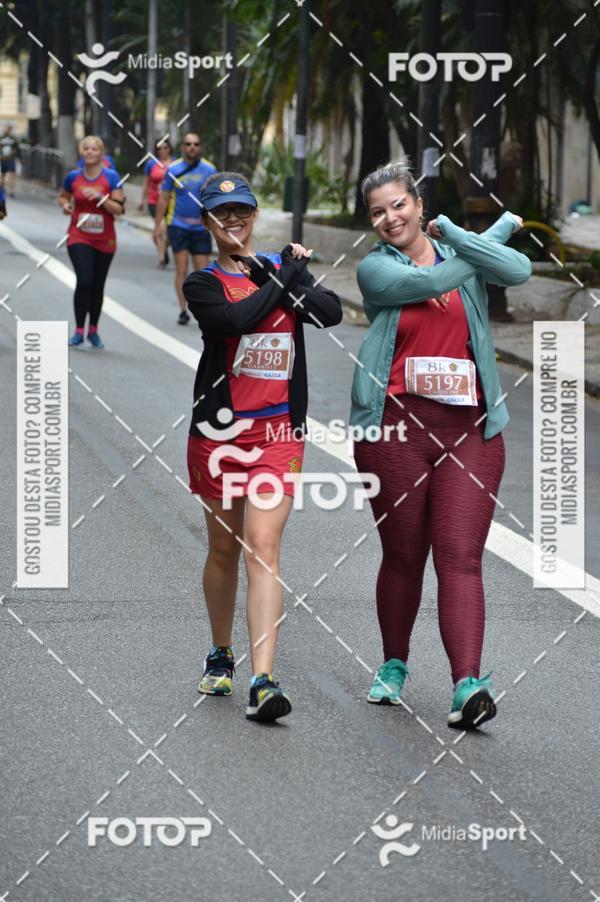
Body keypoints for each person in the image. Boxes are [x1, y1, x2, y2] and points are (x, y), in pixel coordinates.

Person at [350, 159, 532, 729]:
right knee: (405, 555)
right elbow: (429, 283)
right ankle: (394, 664)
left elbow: (521, 270)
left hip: (470, 430)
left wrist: (458, 238)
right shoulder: (374, 271)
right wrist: (475, 249)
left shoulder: (457, 251)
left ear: (419, 204)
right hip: (395, 430)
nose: (389, 217)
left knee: (460, 557)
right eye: (377, 211)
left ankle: (467, 685)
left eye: (398, 205)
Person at [182, 172, 342, 722]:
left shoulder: (281, 269)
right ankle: (221, 652)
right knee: (224, 550)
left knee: (262, 546)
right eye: (222, 212)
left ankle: (264, 679)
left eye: (242, 211)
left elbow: (329, 312)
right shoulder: (202, 284)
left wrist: (289, 274)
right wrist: (283, 273)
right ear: (206, 220)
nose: (233, 220)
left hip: (278, 433)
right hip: (220, 438)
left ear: (254, 214)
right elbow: (236, 321)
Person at [59, 135, 124, 349]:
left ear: (101, 153)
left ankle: (93, 330)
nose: (89, 152)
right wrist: (66, 205)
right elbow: (63, 196)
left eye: (94, 149)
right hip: (79, 236)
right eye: (85, 148)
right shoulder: (73, 177)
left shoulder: (112, 177)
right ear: (81, 152)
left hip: (105, 239)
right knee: (84, 280)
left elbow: (120, 209)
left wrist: (100, 197)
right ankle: (78, 330)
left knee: (97, 285)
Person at [153, 133, 216, 325]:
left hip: (201, 228)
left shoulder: (209, 169)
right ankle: (183, 310)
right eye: (188, 144)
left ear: (201, 147)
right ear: (182, 147)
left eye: (196, 144)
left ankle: (204, 310)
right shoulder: (173, 168)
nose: (192, 147)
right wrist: (158, 225)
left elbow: (214, 198)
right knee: (182, 270)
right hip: (178, 225)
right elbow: (164, 198)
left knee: (204, 272)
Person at [137, 138, 173, 266]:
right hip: (154, 201)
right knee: (161, 228)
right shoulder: (151, 164)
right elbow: (146, 183)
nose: (162, 150)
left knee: (168, 232)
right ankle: (162, 256)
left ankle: (164, 249)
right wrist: (142, 200)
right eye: (160, 148)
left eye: (165, 148)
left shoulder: (175, 164)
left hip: (172, 203)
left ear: (170, 149)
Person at [0, 125, 19, 197]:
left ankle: (11, 191)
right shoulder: (1, 138)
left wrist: (17, 157)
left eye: (8, 129)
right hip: (2, 159)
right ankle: (2, 188)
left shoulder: (13, 138)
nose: (6, 130)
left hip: (11, 159)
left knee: (12, 174)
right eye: (5, 129)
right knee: (2, 175)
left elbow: (17, 148)